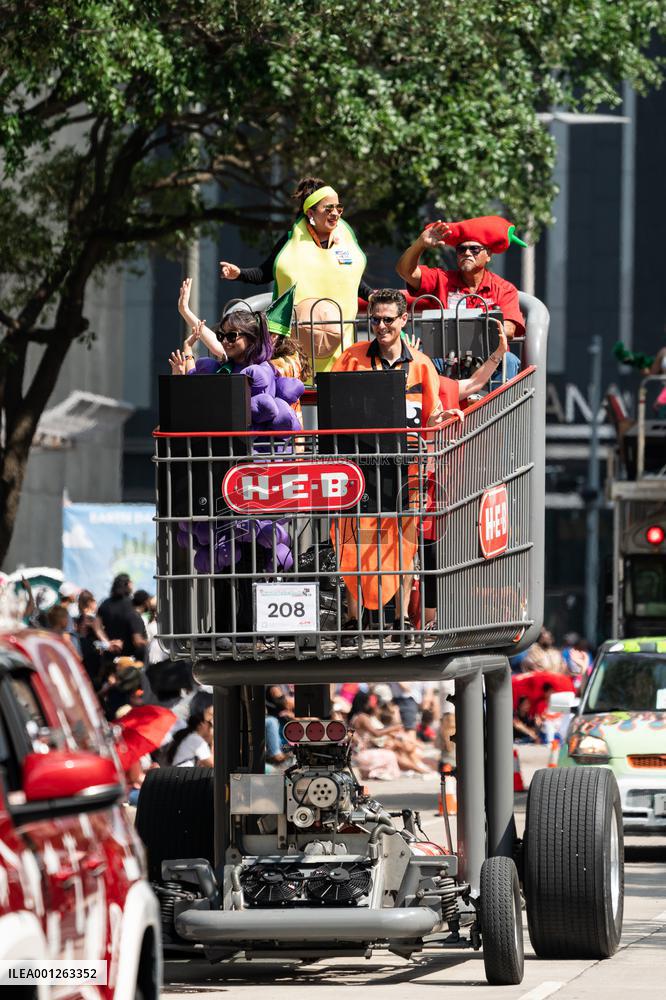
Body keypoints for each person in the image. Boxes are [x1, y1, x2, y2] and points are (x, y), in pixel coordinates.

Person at [331, 289, 462, 644]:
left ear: (403, 320)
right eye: (375, 319)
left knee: (404, 545)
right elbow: (335, 405)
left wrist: (442, 418)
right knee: (357, 542)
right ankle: (355, 620)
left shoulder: (420, 364)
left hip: (407, 468)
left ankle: (401, 619)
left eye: (388, 319)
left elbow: (431, 415)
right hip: (361, 465)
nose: (381, 326)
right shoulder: (351, 358)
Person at [218, 177, 372, 371]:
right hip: (294, 349)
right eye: (328, 208)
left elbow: (352, 280)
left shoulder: (345, 240)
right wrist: (239, 273)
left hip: (340, 347)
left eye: (338, 208)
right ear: (310, 213)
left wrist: (370, 295)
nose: (335, 213)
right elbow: (265, 273)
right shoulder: (291, 241)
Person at [396, 218, 525, 384]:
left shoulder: (504, 288)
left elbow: (509, 329)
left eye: (474, 249)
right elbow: (405, 271)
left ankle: (494, 402)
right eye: (461, 249)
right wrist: (420, 244)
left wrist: (466, 337)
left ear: (488, 255)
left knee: (509, 360)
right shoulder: (441, 279)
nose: (467, 253)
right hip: (444, 359)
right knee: (421, 358)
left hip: (488, 359)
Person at [98, 573, 147, 658]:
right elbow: (137, 638)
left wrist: (107, 642)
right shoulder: (131, 605)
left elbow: (96, 626)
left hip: (110, 655)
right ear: (128, 584)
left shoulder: (105, 604)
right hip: (130, 657)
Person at [165, 702, 214, 767]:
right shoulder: (196, 740)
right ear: (201, 725)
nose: (210, 728)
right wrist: (212, 741)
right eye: (209, 725)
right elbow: (212, 763)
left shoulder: (191, 737)